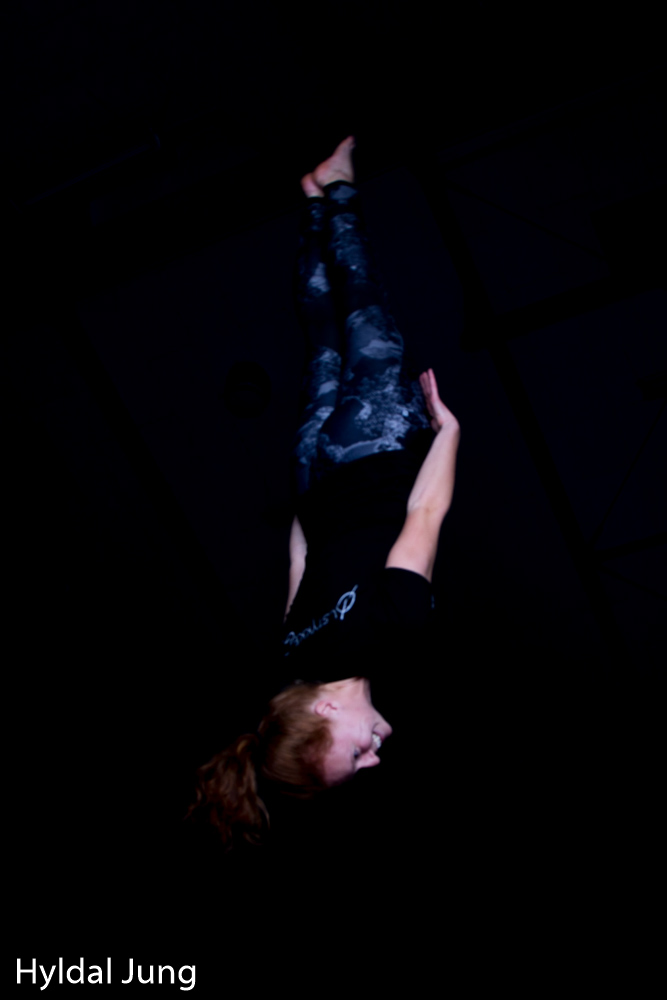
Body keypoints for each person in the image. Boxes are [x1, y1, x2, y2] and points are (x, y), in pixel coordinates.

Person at [186, 136, 461, 850]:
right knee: (324, 342)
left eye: (356, 755)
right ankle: (314, 204)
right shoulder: (289, 661)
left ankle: (338, 188)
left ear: (323, 720)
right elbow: (299, 558)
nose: (375, 756)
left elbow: (425, 510)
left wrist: (447, 433)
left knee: (364, 308)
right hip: (315, 467)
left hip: (376, 450)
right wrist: (310, 486)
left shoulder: (395, 630)